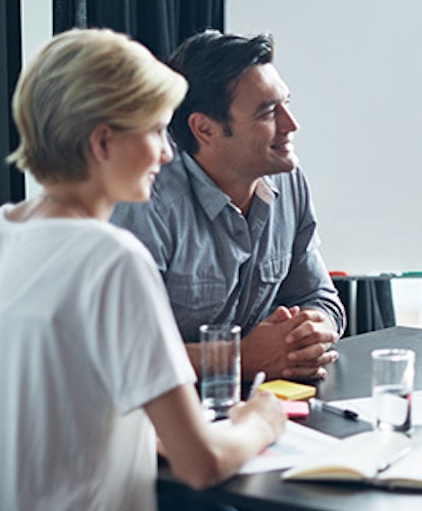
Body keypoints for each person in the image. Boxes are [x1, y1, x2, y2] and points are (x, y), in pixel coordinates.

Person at [0, 28, 309, 511]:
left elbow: (58, 400)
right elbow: (201, 464)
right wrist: (258, 421)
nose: (166, 149)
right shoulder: (110, 258)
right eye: (155, 129)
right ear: (103, 142)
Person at [111, 30, 344, 382]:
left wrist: (312, 330)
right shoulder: (146, 203)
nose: (291, 125)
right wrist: (239, 357)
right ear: (204, 129)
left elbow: (318, 295)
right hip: (162, 417)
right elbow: (122, 354)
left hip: (264, 405)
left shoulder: (287, 177)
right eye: (268, 112)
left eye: (286, 104)